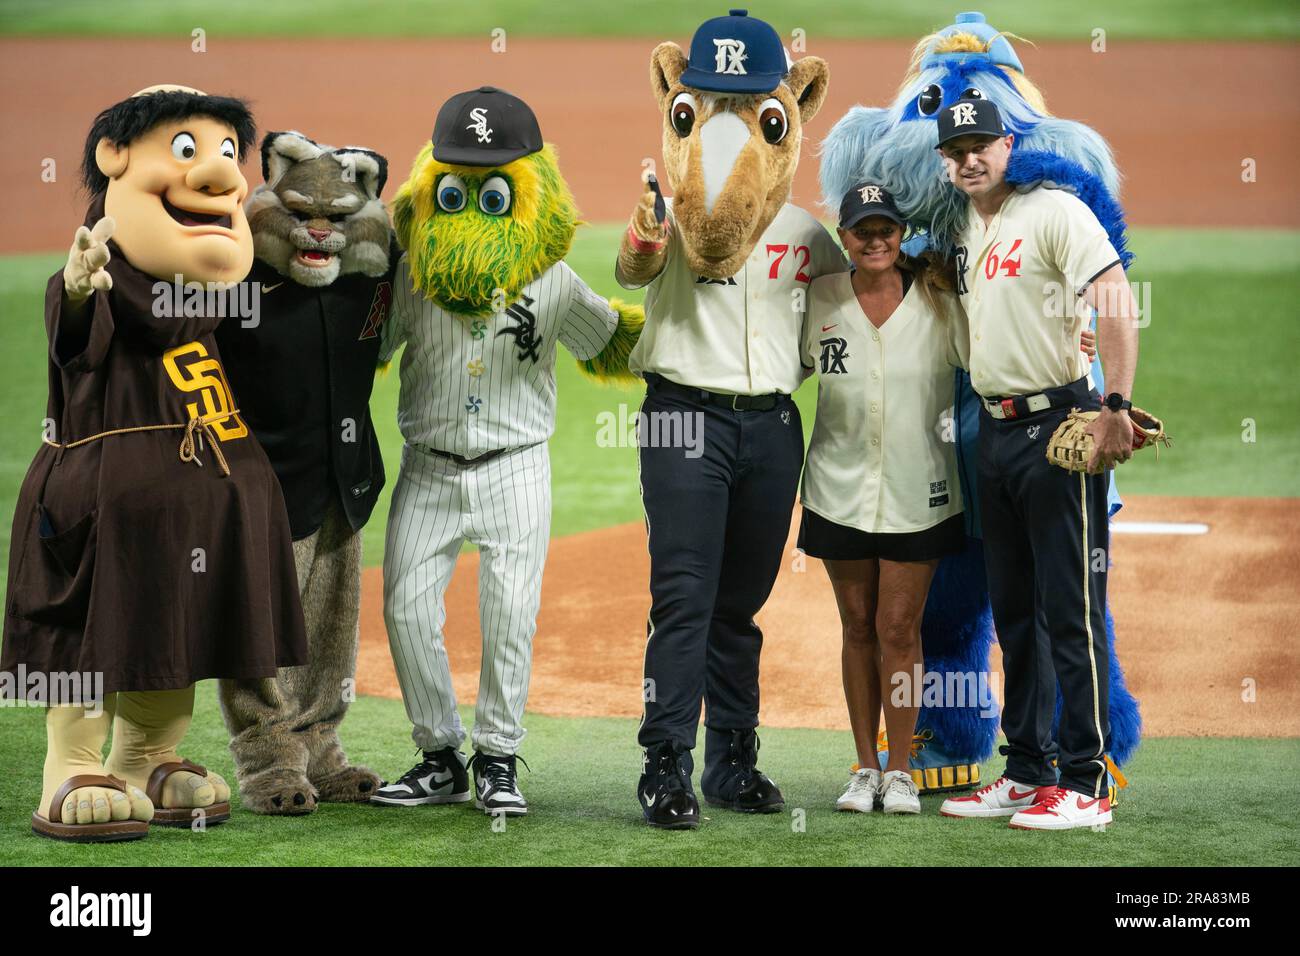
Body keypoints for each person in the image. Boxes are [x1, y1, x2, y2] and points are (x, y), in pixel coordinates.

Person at [802, 183, 1096, 816]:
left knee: (899, 627)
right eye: (861, 230)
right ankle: (863, 766)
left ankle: (901, 770)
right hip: (837, 488)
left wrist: (1074, 339)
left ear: (902, 232)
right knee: (856, 627)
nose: (875, 239)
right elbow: (779, 363)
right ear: (843, 235)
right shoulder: (819, 298)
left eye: (886, 228)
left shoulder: (939, 300)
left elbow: (994, 343)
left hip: (921, 489)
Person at [615, 9, 838, 829]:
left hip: (773, 425)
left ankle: (732, 761)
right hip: (683, 416)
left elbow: (842, 321)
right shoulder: (680, 210)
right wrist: (645, 229)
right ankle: (664, 763)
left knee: (739, 602)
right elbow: (631, 265)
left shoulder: (808, 235)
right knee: (683, 594)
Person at [932, 98, 1140, 830]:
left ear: (1008, 142)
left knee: (1069, 610)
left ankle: (1085, 783)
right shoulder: (961, 227)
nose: (969, 159)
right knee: (1015, 612)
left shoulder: (1053, 210)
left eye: (981, 143)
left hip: (1059, 428)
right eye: (955, 150)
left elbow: (1112, 291)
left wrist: (1114, 402)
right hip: (995, 434)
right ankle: (1027, 769)